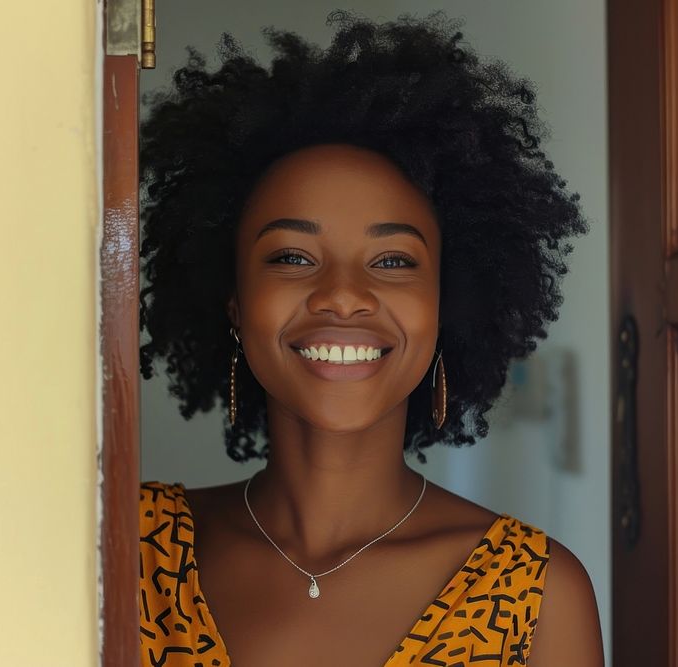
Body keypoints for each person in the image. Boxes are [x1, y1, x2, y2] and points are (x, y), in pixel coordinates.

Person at [137, 10, 603, 666]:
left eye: (393, 261)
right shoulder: (131, 549)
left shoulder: (539, 594)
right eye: (293, 256)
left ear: (447, 305)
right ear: (235, 304)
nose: (343, 294)